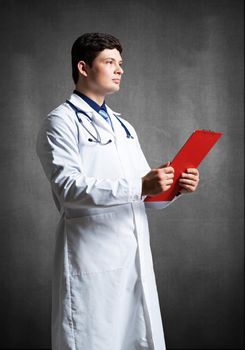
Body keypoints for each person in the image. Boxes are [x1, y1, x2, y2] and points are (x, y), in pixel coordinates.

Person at [36, 32, 199, 350]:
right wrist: (141, 184)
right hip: (93, 259)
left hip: (133, 257)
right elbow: (69, 189)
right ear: (83, 68)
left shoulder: (124, 127)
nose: (119, 69)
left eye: (120, 63)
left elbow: (142, 197)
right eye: (109, 62)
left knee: (137, 338)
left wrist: (172, 187)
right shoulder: (60, 123)